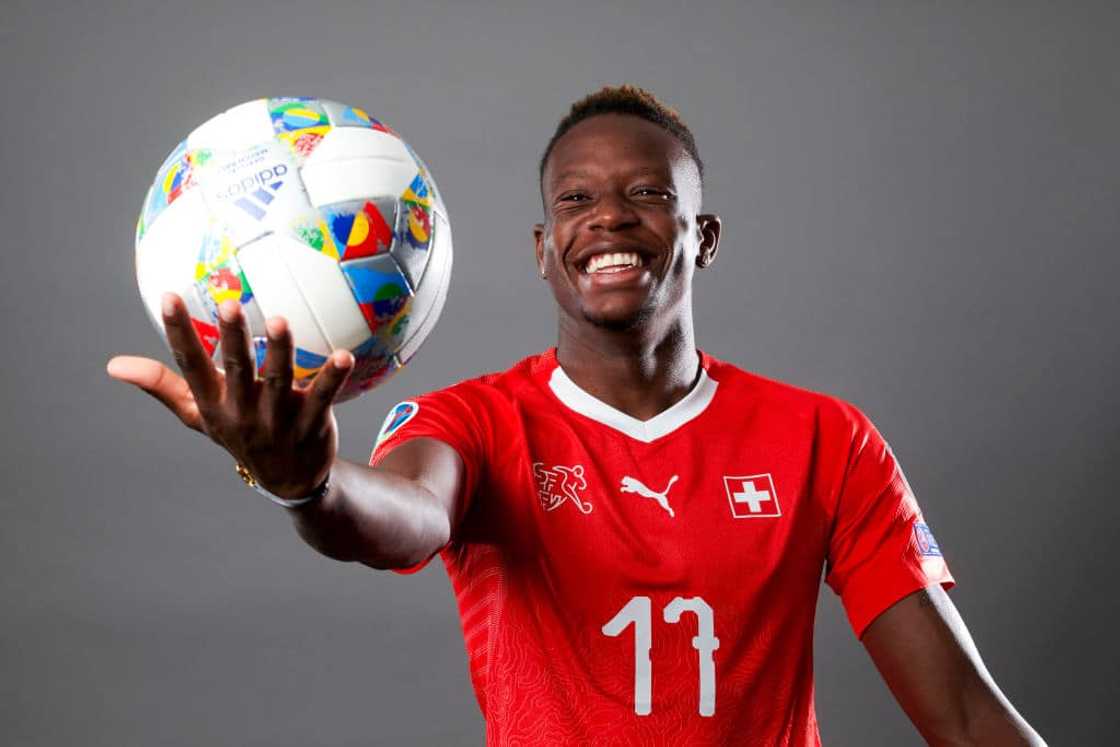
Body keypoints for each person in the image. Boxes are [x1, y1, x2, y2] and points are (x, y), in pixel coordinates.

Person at [108, 85, 1044, 745]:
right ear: (544, 250)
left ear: (702, 237)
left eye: (648, 193)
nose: (610, 219)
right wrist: (304, 484)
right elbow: (402, 519)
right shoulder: (472, 421)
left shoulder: (825, 437)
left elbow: (961, 715)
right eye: (576, 200)